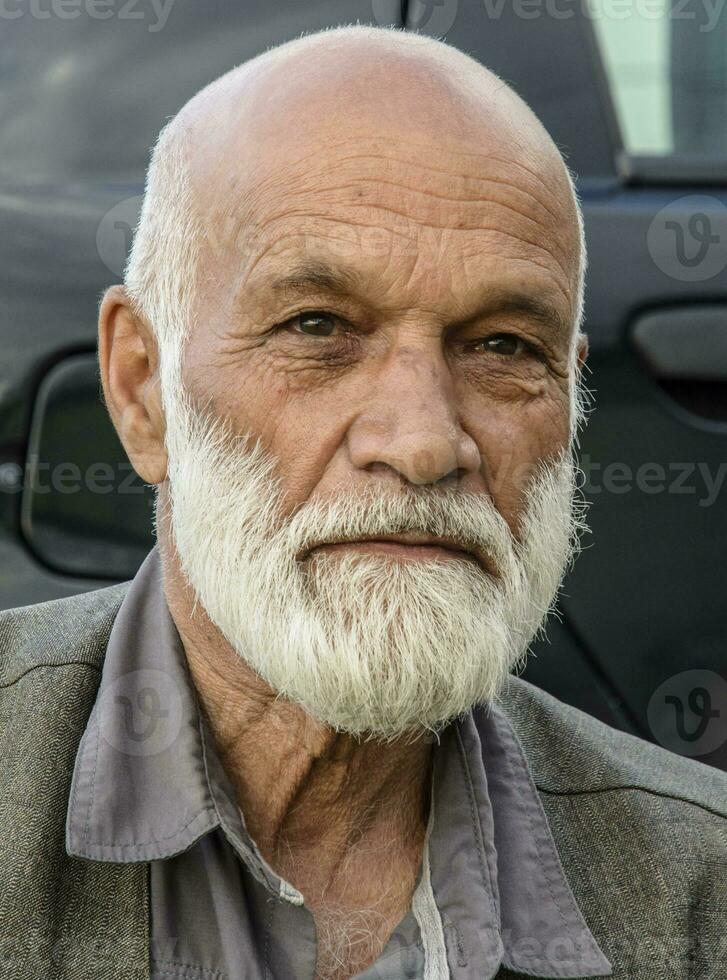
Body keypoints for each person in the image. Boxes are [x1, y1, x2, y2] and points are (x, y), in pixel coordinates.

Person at [2, 24, 726, 980]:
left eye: (505, 346)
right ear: (143, 389)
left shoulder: (696, 891)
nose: (424, 442)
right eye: (317, 327)